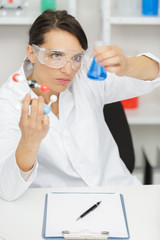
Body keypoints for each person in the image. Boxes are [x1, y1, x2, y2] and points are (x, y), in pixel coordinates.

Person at [0, 10, 160, 201]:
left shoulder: (86, 74)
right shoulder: (9, 100)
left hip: (118, 192)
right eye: (56, 55)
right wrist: (29, 143)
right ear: (32, 53)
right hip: (58, 203)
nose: (68, 70)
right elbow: (7, 189)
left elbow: (153, 74)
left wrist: (127, 65)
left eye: (76, 58)